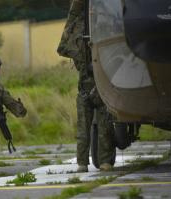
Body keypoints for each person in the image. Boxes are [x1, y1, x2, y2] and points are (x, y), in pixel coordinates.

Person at [57, 0, 115, 172]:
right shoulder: (77, 27)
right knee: (83, 130)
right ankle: (82, 163)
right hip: (85, 85)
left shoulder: (106, 23)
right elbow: (62, 48)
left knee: (105, 127)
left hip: (103, 85)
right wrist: (82, 58)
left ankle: (105, 161)